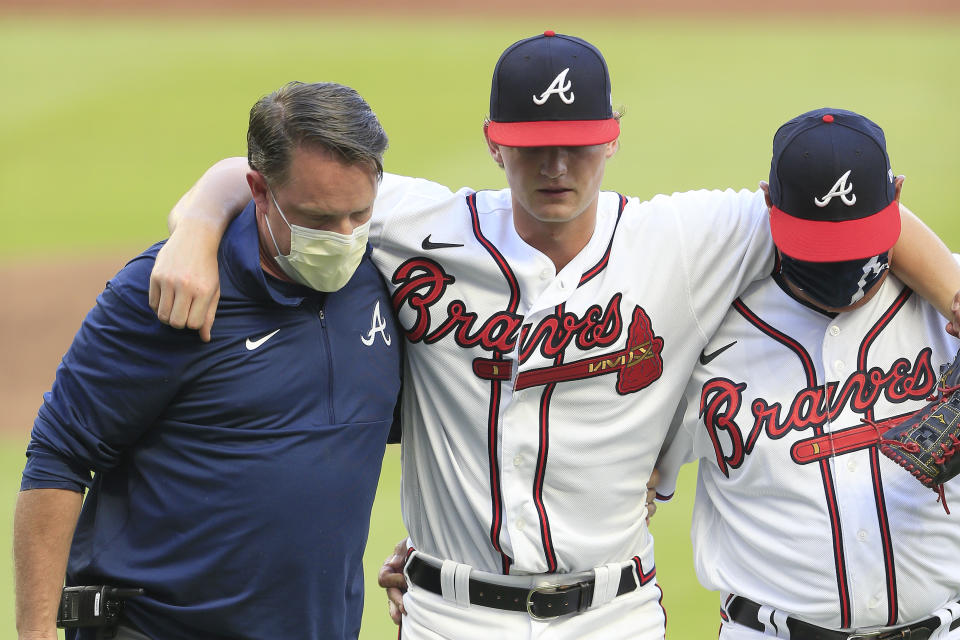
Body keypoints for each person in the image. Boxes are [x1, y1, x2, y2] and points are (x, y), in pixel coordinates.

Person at [148, 34, 960, 639]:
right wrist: (194, 227)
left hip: (614, 612)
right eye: (534, 148)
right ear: (494, 140)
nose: (558, 167)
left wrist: (953, 291)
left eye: (576, 143)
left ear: (613, 134)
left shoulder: (685, 239)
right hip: (451, 613)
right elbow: (254, 172)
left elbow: (843, 211)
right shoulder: (420, 225)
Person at [14, 81, 402, 640]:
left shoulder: (383, 275)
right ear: (260, 192)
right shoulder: (170, 293)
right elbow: (59, 455)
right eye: (316, 219)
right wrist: (33, 634)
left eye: (357, 214)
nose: (343, 237)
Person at [656, 108, 960, 638]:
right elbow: (624, 484)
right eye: (821, 250)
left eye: (856, 247)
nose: (843, 273)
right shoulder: (700, 335)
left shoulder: (946, 310)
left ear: (898, 195)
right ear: (765, 206)